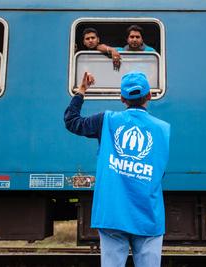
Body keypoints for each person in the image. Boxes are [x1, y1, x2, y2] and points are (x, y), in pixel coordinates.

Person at [64, 71, 170, 267]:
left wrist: (81, 91)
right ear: (149, 96)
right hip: (148, 213)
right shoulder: (163, 129)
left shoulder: (106, 120)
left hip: (112, 212)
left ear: (122, 99)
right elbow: (159, 171)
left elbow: (72, 121)